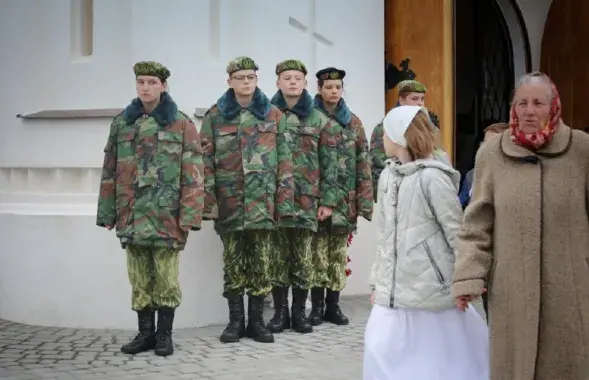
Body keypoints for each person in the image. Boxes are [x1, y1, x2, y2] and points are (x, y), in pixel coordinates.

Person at [452, 72, 589, 380]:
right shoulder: (492, 154)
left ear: (554, 106)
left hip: (572, 288)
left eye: (538, 103)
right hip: (511, 291)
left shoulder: (581, 150)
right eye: (522, 103)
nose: (529, 111)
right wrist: (468, 277)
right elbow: (477, 223)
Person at [364, 105, 489, 380]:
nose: (382, 139)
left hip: (432, 289)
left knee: (440, 359)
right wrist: (378, 282)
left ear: (398, 135)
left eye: (385, 132)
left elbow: (457, 231)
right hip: (394, 292)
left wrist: (465, 280)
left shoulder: (433, 177)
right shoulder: (387, 176)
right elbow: (385, 237)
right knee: (379, 346)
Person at [96, 61, 204, 357]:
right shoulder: (121, 123)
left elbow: (194, 174)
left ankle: (164, 336)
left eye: (152, 82)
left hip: (166, 217)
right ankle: (145, 334)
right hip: (131, 215)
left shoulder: (181, 123)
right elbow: (109, 170)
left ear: (164, 86)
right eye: (141, 82)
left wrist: (191, 216)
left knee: (167, 279)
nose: (145, 87)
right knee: (139, 278)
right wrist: (107, 213)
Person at [200, 56, 294, 344]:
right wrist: (210, 205)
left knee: (261, 263)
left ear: (257, 80)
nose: (245, 82)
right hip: (229, 204)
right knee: (233, 264)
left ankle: (256, 322)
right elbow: (204, 163)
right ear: (229, 81)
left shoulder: (273, 115)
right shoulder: (215, 116)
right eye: (240, 77)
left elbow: (286, 163)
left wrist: (284, 203)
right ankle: (235, 322)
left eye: (250, 77)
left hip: (263, 204)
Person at [266, 59, 338, 334]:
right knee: (277, 257)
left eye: (297, 78)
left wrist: (329, 201)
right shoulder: (269, 115)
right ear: (278, 83)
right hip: (276, 199)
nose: (292, 82)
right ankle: (280, 314)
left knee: (303, 258)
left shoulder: (319, 118)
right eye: (287, 78)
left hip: (308, 200)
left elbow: (330, 162)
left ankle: (299, 314)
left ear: (305, 83)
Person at [309, 67, 373, 326]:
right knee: (316, 255)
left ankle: (333, 306)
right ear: (319, 89)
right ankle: (315, 307)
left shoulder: (353, 122)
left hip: (345, 201)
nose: (334, 91)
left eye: (338, 87)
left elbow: (363, 164)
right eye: (329, 87)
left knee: (337, 255)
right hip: (315, 200)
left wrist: (364, 202)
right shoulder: (310, 117)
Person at [370, 80, 446, 201]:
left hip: (426, 186)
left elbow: (438, 154)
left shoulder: (428, 124)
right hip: (397, 189)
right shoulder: (386, 127)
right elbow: (378, 164)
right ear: (401, 100)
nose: (420, 103)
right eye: (414, 99)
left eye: (422, 99)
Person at [458, 122, 509, 209]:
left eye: (492, 143)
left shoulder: (516, 175)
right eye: (484, 143)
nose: (486, 147)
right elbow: (459, 206)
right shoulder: (471, 174)